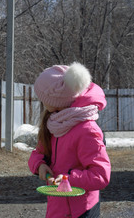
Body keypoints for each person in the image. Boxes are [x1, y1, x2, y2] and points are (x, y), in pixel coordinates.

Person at [28, 62, 111, 218]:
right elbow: (38, 153)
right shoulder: (54, 124)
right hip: (57, 207)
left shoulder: (87, 130)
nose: (41, 101)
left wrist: (69, 179)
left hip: (80, 211)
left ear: (57, 101)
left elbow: (101, 175)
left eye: (43, 98)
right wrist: (39, 165)